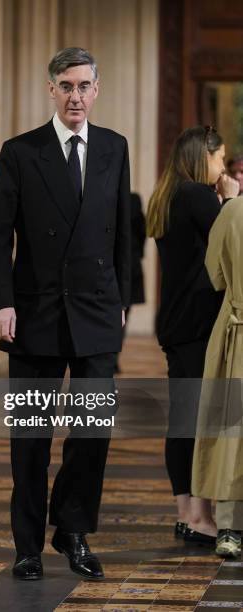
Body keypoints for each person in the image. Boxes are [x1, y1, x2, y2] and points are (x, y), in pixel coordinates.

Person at [0, 47, 130, 581]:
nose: (75, 96)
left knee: (93, 432)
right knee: (30, 438)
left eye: (84, 86)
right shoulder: (20, 152)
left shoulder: (115, 148)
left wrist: (121, 302)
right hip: (33, 314)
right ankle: (27, 547)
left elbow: (123, 237)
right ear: (51, 89)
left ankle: (72, 528)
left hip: (94, 311)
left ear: (96, 91)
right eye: (66, 86)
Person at [146, 126, 239, 546]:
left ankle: (186, 513)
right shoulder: (198, 195)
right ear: (205, 156)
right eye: (220, 158)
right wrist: (234, 199)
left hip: (176, 321)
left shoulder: (168, 195)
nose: (223, 167)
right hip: (199, 323)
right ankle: (201, 517)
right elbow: (233, 243)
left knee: (182, 419)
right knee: (198, 421)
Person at [192, 195, 243, 558]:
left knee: (232, 431)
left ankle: (230, 527)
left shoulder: (233, 210)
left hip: (238, 331)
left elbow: (215, 274)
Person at [116, 192, 145, 372]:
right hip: (131, 264)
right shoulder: (133, 200)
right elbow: (142, 230)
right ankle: (113, 356)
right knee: (123, 315)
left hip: (123, 265)